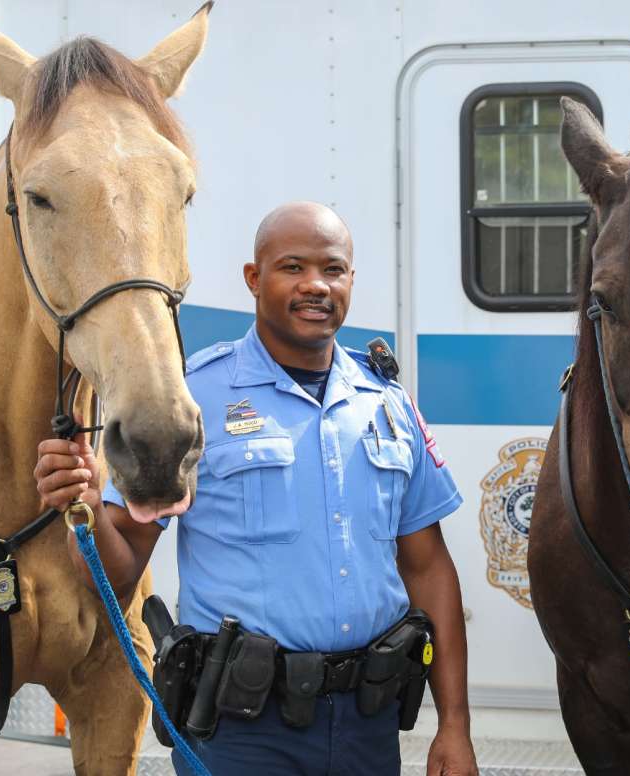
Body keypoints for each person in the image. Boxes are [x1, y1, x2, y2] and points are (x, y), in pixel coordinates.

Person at [34, 201, 478, 775]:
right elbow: (117, 570)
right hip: (243, 730)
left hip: (367, 725)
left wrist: (455, 726)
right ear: (254, 278)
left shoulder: (387, 405)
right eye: (293, 268)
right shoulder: (193, 402)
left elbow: (429, 570)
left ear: (350, 281)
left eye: (333, 269)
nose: (315, 285)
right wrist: (89, 507)